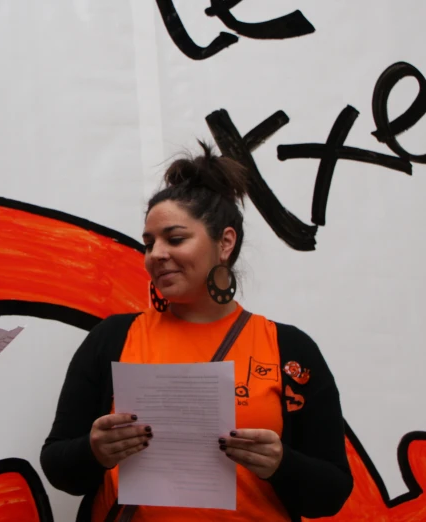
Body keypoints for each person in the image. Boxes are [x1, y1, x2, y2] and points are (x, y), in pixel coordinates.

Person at [40, 141, 353, 521]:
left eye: (175, 239)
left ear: (225, 243)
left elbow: (332, 492)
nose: (156, 255)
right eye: (149, 243)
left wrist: (282, 463)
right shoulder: (113, 338)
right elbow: (58, 465)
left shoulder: (289, 348)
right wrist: (94, 451)